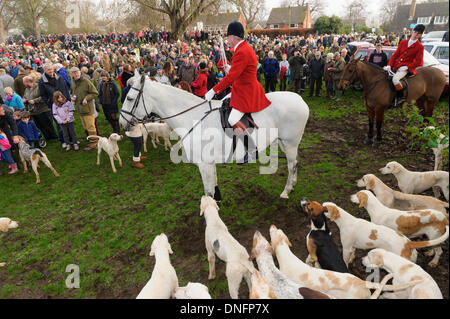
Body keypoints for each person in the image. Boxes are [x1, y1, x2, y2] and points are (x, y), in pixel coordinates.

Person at [205, 21, 271, 164]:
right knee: (224, 104)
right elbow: (239, 71)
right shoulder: (243, 48)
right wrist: (231, 68)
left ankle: (252, 150)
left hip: (246, 90)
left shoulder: (241, 51)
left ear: (234, 37)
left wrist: (213, 90)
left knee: (232, 119)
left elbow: (231, 78)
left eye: (228, 36)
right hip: (242, 86)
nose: (227, 39)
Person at [383, 24, 425, 106]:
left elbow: (419, 62)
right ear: (412, 32)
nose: (416, 35)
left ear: (420, 35)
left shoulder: (420, 47)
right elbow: (395, 55)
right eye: (415, 32)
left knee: (395, 80)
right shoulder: (403, 42)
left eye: (418, 33)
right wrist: (389, 65)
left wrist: (407, 67)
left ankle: (400, 98)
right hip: (396, 65)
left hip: (406, 68)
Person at [70, 67, 99, 151]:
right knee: (85, 126)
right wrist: (72, 97)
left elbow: (95, 93)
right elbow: (72, 92)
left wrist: (87, 98)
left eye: (77, 72)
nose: (76, 74)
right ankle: (91, 140)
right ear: (71, 74)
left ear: (80, 72)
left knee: (91, 127)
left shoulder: (86, 81)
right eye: (74, 73)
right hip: (79, 109)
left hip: (88, 108)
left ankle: (94, 144)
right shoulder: (72, 82)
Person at [22, 75, 58, 141]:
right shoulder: (27, 89)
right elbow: (25, 96)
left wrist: (34, 101)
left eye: (24, 82)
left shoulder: (39, 87)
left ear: (28, 82)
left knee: (47, 124)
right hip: (33, 111)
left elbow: (44, 97)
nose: (23, 84)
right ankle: (47, 137)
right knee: (40, 125)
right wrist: (24, 99)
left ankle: (54, 137)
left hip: (42, 109)